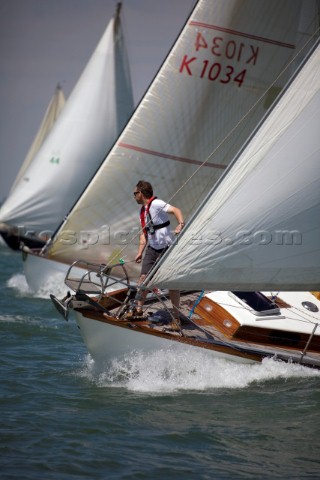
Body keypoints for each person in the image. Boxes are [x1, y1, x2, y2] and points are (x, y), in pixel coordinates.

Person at [129, 180, 185, 331]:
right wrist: (140, 252)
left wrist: (180, 223)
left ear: (141, 193)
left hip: (167, 248)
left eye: (135, 193)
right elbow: (144, 235)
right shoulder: (143, 211)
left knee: (172, 284)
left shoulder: (156, 204)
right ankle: (138, 310)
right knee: (143, 279)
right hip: (152, 249)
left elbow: (176, 210)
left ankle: (176, 319)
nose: (133, 196)